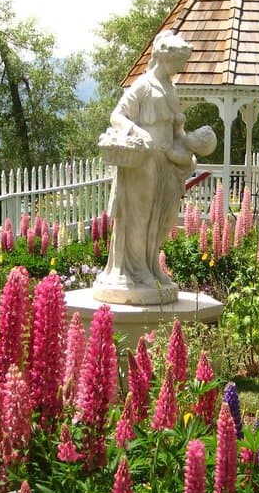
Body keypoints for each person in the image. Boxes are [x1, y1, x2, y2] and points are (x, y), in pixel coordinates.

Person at [92, 30, 215, 305]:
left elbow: (177, 131)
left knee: (162, 217)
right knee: (140, 215)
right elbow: (117, 116)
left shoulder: (171, 88)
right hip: (143, 161)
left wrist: (191, 146)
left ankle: (151, 265)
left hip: (166, 162)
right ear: (164, 58)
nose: (181, 68)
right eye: (179, 63)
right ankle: (135, 272)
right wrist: (138, 131)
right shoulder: (144, 85)